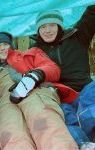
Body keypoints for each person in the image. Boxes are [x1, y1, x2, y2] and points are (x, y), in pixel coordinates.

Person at [0, 32, 78, 150]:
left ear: (11, 45)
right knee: (12, 136)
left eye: (5, 44)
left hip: (33, 90)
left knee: (45, 125)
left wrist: (35, 76)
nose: (2, 48)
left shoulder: (30, 54)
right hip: (7, 101)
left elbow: (53, 69)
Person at [30, 5, 95, 146]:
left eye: (52, 25)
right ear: (38, 30)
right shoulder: (35, 51)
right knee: (64, 120)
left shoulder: (77, 36)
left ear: (59, 26)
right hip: (61, 97)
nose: (47, 30)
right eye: (43, 27)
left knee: (91, 110)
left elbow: (92, 14)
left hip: (85, 89)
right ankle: (84, 145)